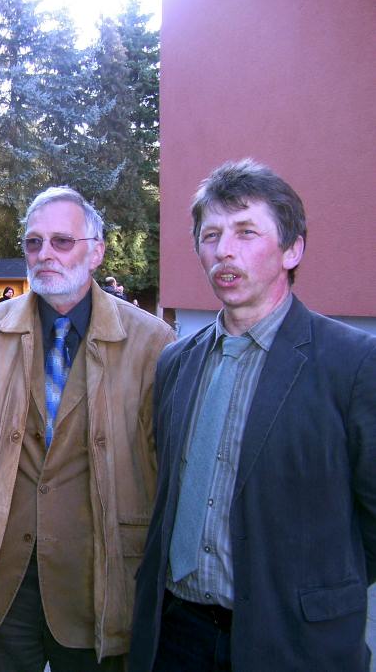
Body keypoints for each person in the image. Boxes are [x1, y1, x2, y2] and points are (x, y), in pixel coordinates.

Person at [129, 159, 376, 671]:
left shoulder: (353, 364)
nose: (224, 250)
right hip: (177, 636)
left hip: (294, 643)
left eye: (246, 232)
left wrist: (317, 591)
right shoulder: (176, 361)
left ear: (292, 249)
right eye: (211, 234)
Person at [0, 186, 175, 670]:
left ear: (97, 252)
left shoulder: (153, 343)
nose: (44, 254)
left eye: (62, 241)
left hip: (101, 582)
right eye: (33, 242)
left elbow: (159, 464)